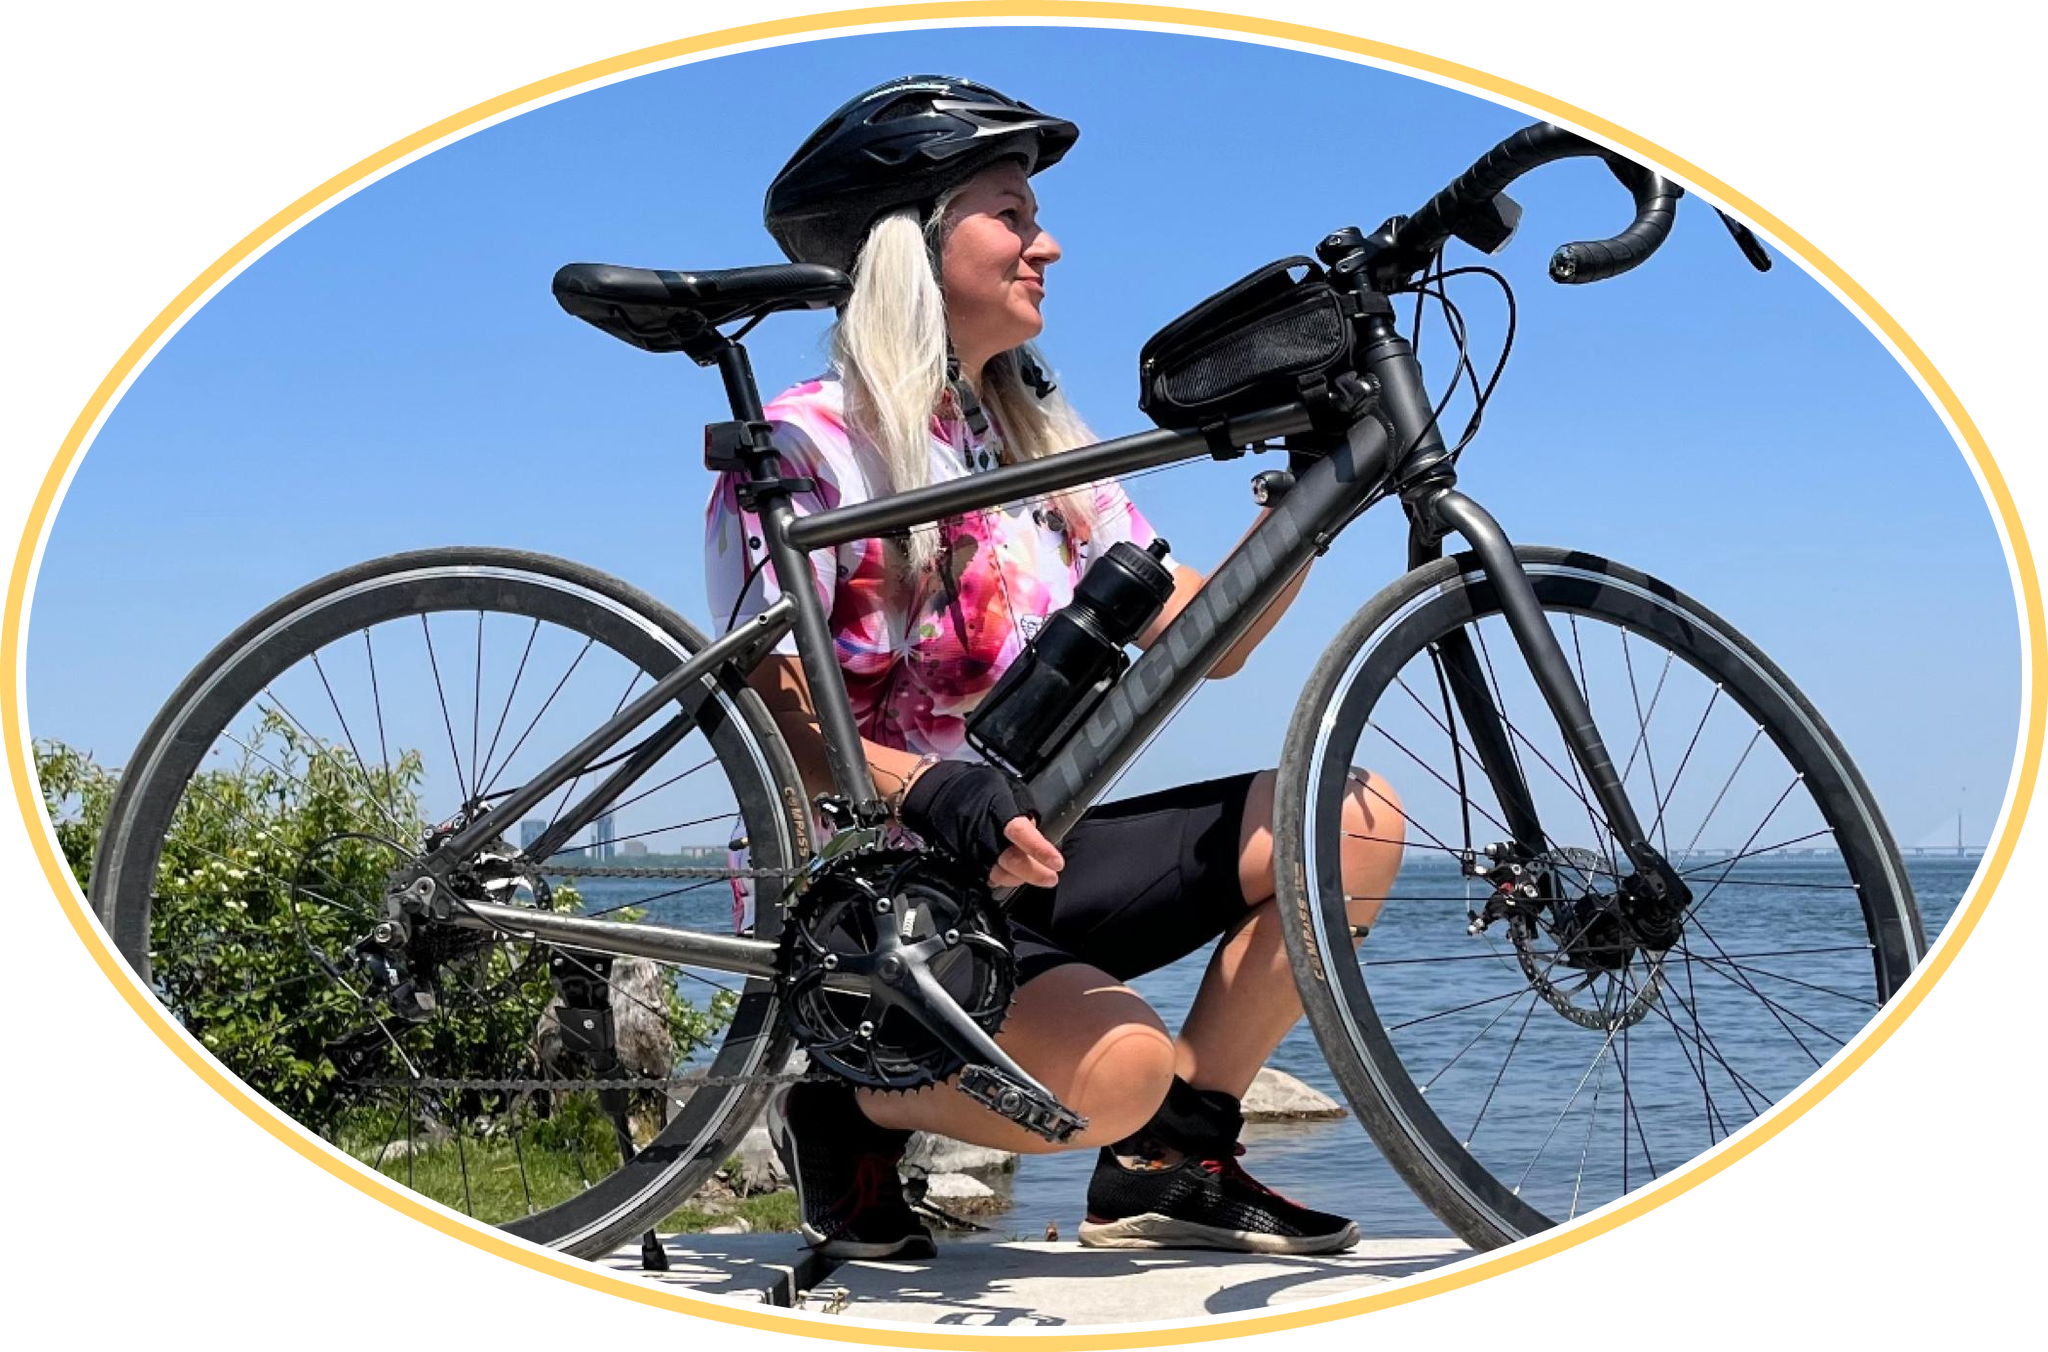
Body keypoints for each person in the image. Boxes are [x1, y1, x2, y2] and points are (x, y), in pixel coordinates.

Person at [703, 75, 1405, 1260]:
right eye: (1012, 215)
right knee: (1118, 1066)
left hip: (1022, 848)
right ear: (914, 245)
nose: (1049, 244)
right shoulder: (806, 441)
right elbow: (765, 700)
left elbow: (1215, 638)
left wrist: (1307, 494)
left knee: (1349, 820)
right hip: (872, 894)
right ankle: (844, 1107)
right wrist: (926, 786)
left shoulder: (1027, 440)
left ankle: (1170, 1162)